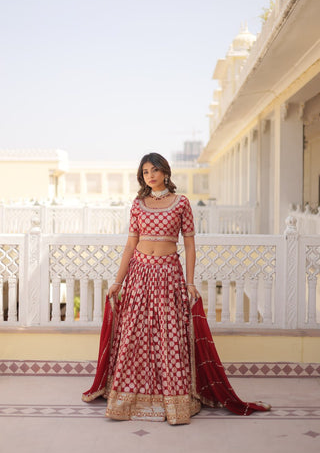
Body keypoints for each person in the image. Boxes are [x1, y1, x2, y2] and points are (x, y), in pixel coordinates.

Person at [82, 152, 271, 425]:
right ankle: (128, 398)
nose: (151, 175)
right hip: (139, 274)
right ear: (142, 177)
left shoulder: (181, 203)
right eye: (145, 172)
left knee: (169, 335)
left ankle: (174, 400)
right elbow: (129, 245)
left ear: (165, 172)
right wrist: (118, 281)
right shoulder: (138, 204)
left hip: (169, 274)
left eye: (155, 169)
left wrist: (190, 282)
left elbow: (190, 245)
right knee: (136, 334)